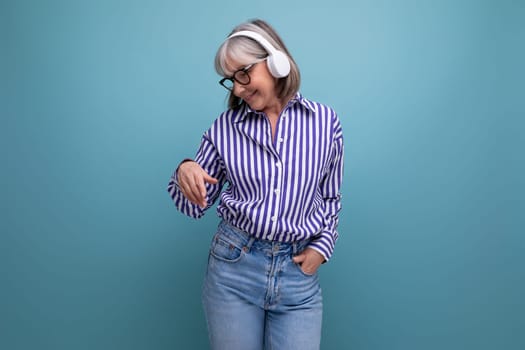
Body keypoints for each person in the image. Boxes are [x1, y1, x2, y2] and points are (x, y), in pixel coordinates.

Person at [167, 18, 344, 350]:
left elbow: (330, 197)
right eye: (231, 80)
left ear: (275, 62)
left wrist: (322, 248)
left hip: (297, 280)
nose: (237, 88)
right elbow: (193, 206)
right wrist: (185, 170)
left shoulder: (325, 123)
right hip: (234, 270)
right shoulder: (226, 128)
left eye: (243, 74)